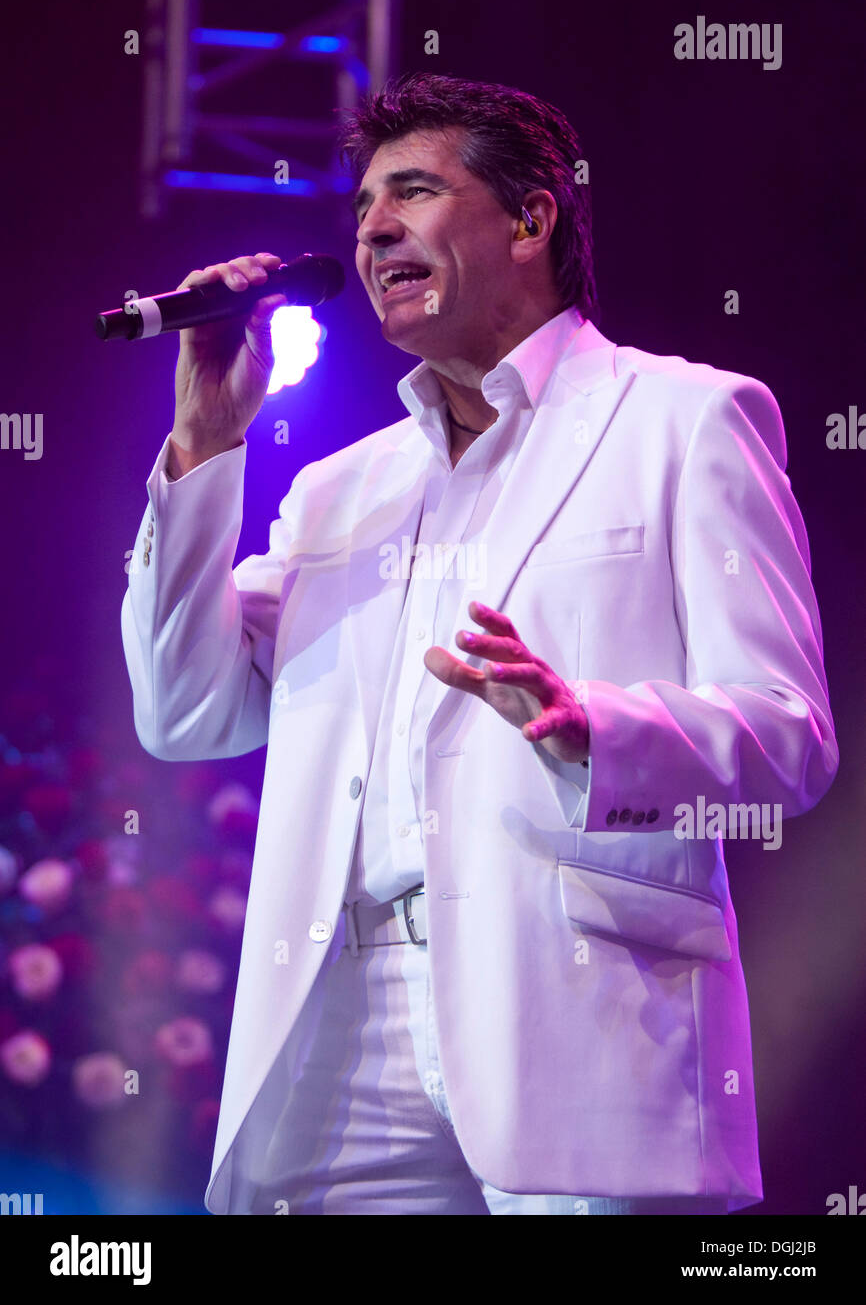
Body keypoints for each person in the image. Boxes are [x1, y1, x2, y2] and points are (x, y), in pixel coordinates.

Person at [121, 72, 838, 1215]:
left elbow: (787, 741)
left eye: (412, 191)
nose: (372, 230)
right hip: (338, 1027)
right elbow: (181, 709)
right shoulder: (332, 490)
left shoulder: (683, 419)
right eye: (360, 209)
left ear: (530, 217)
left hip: (576, 1007)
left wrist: (595, 729)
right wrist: (207, 442)